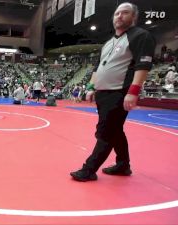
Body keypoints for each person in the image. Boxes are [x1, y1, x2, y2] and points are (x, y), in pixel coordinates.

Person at [70, 2, 156, 182]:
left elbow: (143, 65)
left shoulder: (141, 35)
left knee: (106, 131)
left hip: (119, 92)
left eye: (125, 13)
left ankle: (89, 169)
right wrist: (91, 87)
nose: (119, 16)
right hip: (104, 92)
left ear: (134, 17)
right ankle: (123, 165)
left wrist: (133, 91)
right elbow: (98, 67)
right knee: (115, 130)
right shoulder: (109, 42)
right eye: (117, 13)